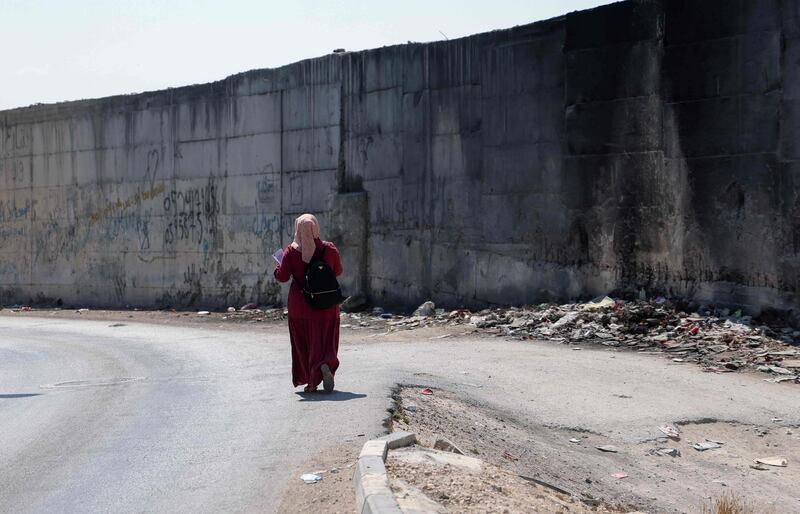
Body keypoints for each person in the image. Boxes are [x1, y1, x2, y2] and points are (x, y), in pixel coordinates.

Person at [274, 213, 343, 393]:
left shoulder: (290, 252)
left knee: (303, 342)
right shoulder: (330, 249)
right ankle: (325, 363)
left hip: (301, 306)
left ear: (297, 229)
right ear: (316, 227)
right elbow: (338, 271)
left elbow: (282, 277)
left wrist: (278, 266)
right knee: (326, 338)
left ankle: (311, 382)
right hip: (327, 305)